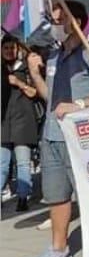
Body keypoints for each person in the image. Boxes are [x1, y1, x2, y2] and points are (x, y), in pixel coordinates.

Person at [23, 1, 89, 257]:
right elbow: (50, 97)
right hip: (52, 134)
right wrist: (34, 74)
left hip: (81, 137)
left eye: (58, 21)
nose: (54, 27)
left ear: (75, 21)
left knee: (88, 195)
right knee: (56, 195)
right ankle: (58, 249)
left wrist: (79, 106)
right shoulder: (53, 57)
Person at [2, 36, 44, 213]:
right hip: (4, 121)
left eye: (12, 48)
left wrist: (19, 83)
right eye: (5, 48)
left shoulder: (27, 69)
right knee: (2, 163)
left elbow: (36, 92)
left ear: (18, 49)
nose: (9, 51)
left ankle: (22, 197)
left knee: (23, 162)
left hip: (24, 121)